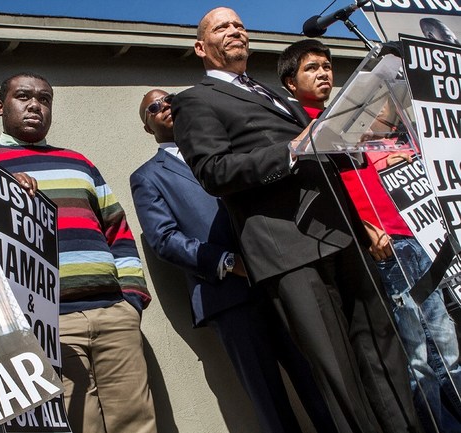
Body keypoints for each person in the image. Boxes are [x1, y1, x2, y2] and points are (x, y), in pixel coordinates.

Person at [172, 9, 421, 433]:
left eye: (239, 25)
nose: (234, 31)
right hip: (287, 251)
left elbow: (320, 153)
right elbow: (214, 171)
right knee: (338, 372)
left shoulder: (276, 95)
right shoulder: (196, 100)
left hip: (341, 234)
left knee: (384, 354)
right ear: (201, 47)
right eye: (221, 27)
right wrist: (290, 150)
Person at [0, 72, 157, 433]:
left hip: (113, 315)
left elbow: (118, 229)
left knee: (137, 423)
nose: (35, 104)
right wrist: (3, 203)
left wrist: (132, 299)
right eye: (23, 96)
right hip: (46, 327)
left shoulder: (79, 162)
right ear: (1, 107)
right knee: (79, 424)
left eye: (44, 99)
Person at [279, 38, 461, 433]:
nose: (324, 72)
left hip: (411, 233)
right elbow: (328, 192)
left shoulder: (353, 118)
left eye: (327, 66)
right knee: (417, 356)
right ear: (290, 83)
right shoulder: (300, 129)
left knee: (448, 343)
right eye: (311, 68)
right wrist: (363, 229)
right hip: (383, 248)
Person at [130, 88, 335, 433]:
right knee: (267, 396)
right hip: (228, 295)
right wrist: (225, 262)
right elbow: (163, 239)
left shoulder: (223, 149)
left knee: (316, 376)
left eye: (170, 99)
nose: (165, 106)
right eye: (153, 107)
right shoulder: (148, 176)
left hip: (276, 275)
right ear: (148, 127)